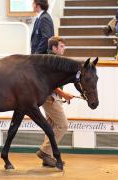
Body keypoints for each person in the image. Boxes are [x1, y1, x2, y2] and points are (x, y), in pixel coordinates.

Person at [36, 36, 74, 167]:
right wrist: (63, 94)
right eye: (62, 46)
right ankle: (45, 152)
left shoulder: (49, 59)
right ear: (54, 48)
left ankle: (48, 157)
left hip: (49, 97)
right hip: (50, 97)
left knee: (52, 127)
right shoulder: (53, 60)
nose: (64, 49)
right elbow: (50, 82)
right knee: (63, 125)